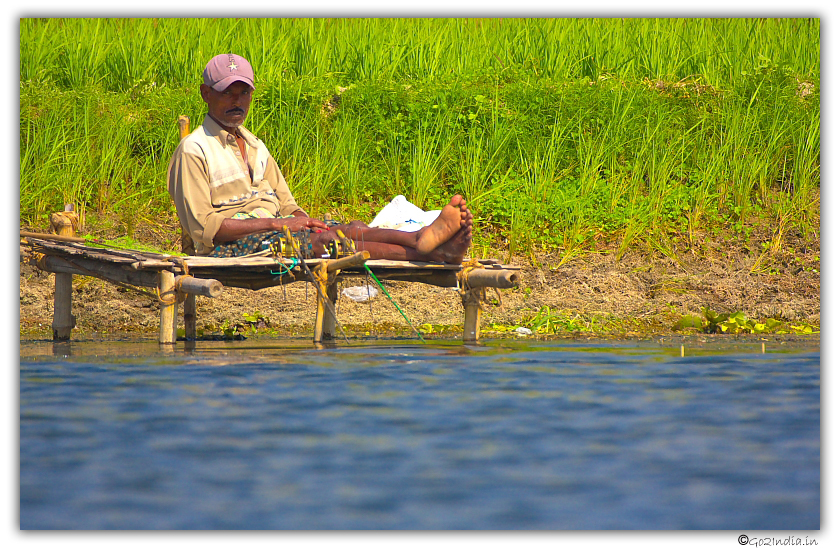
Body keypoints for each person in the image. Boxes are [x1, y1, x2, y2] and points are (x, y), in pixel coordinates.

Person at [167, 53, 472, 264]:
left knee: (347, 228)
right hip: (227, 248)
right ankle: (430, 253)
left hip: (277, 230)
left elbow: (288, 205)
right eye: (227, 93)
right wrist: (277, 225)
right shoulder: (194, 150)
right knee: (325, 243)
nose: (237, 101)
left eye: (243, 93)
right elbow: (205, 228)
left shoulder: (256, 146)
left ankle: (420, 237)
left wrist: (305, 221)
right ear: (206, 94)